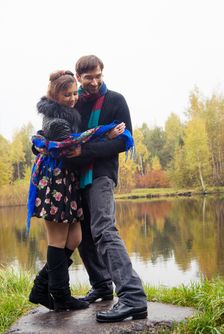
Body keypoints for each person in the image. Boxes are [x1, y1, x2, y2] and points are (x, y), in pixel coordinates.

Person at [28, 70, 125, 312]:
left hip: (67, 181)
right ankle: (60, 296)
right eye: (67, 94)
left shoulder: (65, 114)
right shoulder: (58, 121)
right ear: (54, 95)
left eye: (74, 93)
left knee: (76, 238)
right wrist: (105, 133)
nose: (72, 98)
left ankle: (41, 286)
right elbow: (73, 143)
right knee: (58, 240)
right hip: (56, 183)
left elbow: (47, 140)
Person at [65, 55, 148, 322]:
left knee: (103, 229)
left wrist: (85, 149)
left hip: (101, 175)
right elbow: (67, 144)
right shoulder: (73, 103)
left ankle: (133, 297)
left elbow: (125, 141)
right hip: (75, 177)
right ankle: (101, 285)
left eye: (98, 76)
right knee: (84, 234)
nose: (94, 81)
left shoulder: (115, 100)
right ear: (79, 77)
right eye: (88, 77)